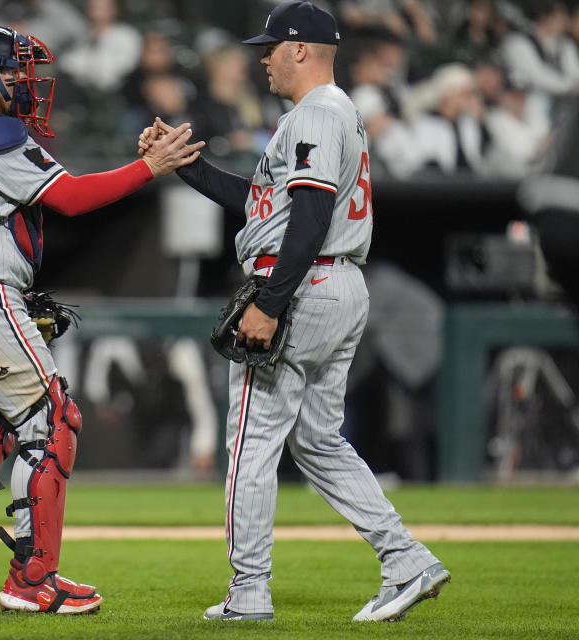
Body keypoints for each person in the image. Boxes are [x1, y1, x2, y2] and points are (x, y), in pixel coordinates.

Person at [139, 0, 449, 623]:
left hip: (301, 284)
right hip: (337, 283)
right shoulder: (333, 114)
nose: (263, 57)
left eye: (271, 46)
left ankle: (249, 590)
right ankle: (406, 558)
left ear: (301, 50)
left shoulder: (315, 114)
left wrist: (272, 303)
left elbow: (307, 217)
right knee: (316, 437)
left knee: (251, 440)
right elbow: (263, 203)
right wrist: (186, 166)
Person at [0, 23, 202, 614]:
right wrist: (149, 169)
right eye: (14, 70)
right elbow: (72, 197)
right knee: (54, 421)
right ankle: (32, 579)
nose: (26, 82)